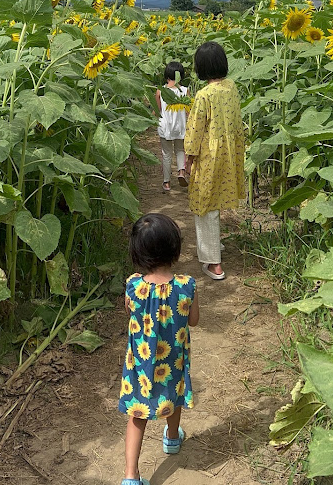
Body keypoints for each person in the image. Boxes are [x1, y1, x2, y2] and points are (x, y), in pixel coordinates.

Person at [119, 213, 199, 485]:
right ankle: (173, 439)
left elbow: (129, 312)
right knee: (174, 397)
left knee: (136, 414)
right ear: (175, 248)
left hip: (140, 365)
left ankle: (131, 476)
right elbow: (194, 321)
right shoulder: (186, 285)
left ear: (137, 252)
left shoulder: (133, 285)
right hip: (173, 361)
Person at [184, 42, 245, 281]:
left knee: (204, 205)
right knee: (216, 200)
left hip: (209, 154)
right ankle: (214, 246)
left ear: (201, 67)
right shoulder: (231, 87)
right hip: (229, 152)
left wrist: (187, 158)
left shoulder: (204, 95)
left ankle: (213, 263)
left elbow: (195, 129)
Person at [156, 61, 189, 192]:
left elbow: (157, 109)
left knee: (166, 154)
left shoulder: (160, 91)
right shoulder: (185, 91)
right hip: (180, 126)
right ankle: (181, 172)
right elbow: (188, 110)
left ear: (166, 75)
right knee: (180, 150)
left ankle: (167, 182)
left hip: (165, 126)